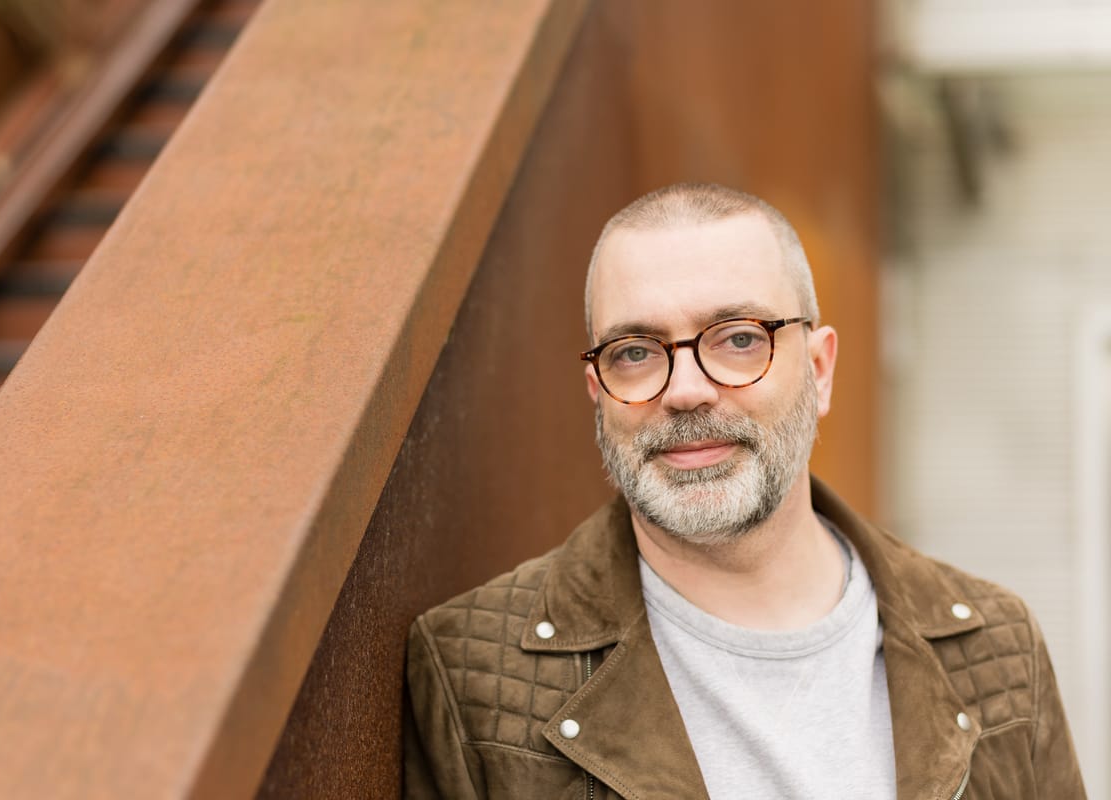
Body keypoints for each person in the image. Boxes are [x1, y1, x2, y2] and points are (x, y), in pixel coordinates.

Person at [402, 183, 1085, 799]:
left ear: (819, 370)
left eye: (737, 339)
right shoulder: (473, 673)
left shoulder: (995, 646)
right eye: (635, 352)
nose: (685, 390)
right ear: (598, 393)